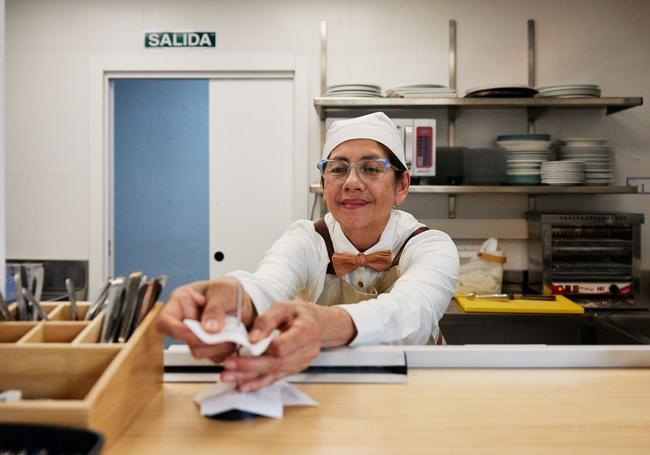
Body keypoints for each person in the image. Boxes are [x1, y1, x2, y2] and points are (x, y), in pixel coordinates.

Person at [156, 112, 459, 392]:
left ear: (402, 185)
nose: (352, 183)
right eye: (338, 169)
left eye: (371, 168)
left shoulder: (431, 246)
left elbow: (411, 312)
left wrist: (326, 323)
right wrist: (237, 295)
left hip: (420, 388)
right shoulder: (305, 239)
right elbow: (270, 282)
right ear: (325, 184)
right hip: (329, 388)